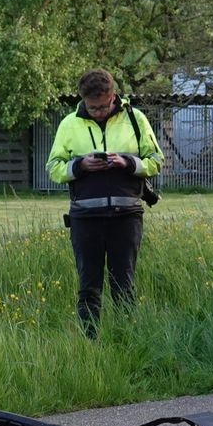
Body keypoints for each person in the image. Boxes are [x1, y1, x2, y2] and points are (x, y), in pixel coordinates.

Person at [45, 69, 164, 338]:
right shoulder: (69, 124)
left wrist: (128, 162)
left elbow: (156, 160)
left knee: (124, 284)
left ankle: (126, 340)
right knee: (89, 286)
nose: (98, 111)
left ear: (113, 96)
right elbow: (53, 168)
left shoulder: (136, 119)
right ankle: (90, 342)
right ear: (83, 100)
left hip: (127, 216)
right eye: (92, 107)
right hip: (85, 218)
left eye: (103, 106)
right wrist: (80, 165)